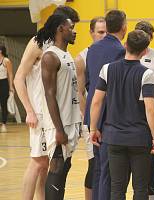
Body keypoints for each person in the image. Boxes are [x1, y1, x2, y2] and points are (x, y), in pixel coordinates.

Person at [14, 6, 79, 200]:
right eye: (70, 24)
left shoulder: (61, 48)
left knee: (48, 165)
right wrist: (29, 110)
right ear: (60, 24)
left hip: (55, 112)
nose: (73, 28)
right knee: (38, 162)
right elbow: (19, 78)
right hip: (41, 112)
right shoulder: (38, 43)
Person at [90, 29, 154, 200]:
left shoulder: (107, 69)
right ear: (145, 51)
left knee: (116, 189)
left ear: (125, 45)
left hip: (113, 137)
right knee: (140, 189)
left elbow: (96, 101)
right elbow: (151, 108)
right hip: (139, 138)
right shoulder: (147, 73)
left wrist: (93, 128)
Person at [84, 9, 127, 200]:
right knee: (108, 171)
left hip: (93, 114)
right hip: (109, 118)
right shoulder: (120, 51)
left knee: (98, 168)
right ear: (124, 27)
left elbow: (89, 81)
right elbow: (117, 89)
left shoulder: (92, 49)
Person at [37, 14, 81, 199]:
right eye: (70, 28)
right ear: (60, 29)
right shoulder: (50, 56)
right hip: (58, 124)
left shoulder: (66, 54)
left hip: (71, 121)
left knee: (65, 168)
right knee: (56, 168)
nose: (74, 31)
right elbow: (49, 94)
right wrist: (59, 129)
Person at [74, 16, 106, 200]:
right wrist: (91, 119)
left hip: (110, 118)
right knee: (94, 164)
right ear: (92, 33)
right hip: (91, 118)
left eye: (106, 32)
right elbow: (79, 93)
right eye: (100, 32)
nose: (103, 36)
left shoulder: (113, 51)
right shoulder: (82, 58)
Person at [134, 21, 154, 200]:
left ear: (151, 37)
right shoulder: (125, 54)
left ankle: (151, 196)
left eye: (148, 33)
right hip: (131, 110)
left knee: (151, 161)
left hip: (150, 109)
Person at [0, 45, 14, 133]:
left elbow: (10, 74)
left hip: (3, 83)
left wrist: (11, 86)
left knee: (3, 104)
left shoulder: (6, 61)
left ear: (0, 51)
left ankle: (4, 124)